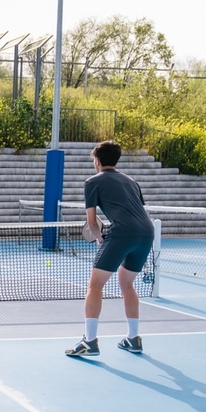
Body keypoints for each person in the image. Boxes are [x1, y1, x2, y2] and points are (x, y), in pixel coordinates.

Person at [66, 140, 154, 357]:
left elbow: (93, 223)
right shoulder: (132, 181)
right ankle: (133, 339)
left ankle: (89, 341)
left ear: (97, 161)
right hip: (147, 232)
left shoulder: (92, 182)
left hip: (122, 233)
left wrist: (99, 239)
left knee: (94, 286)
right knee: (126, 283)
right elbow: (136, 211)